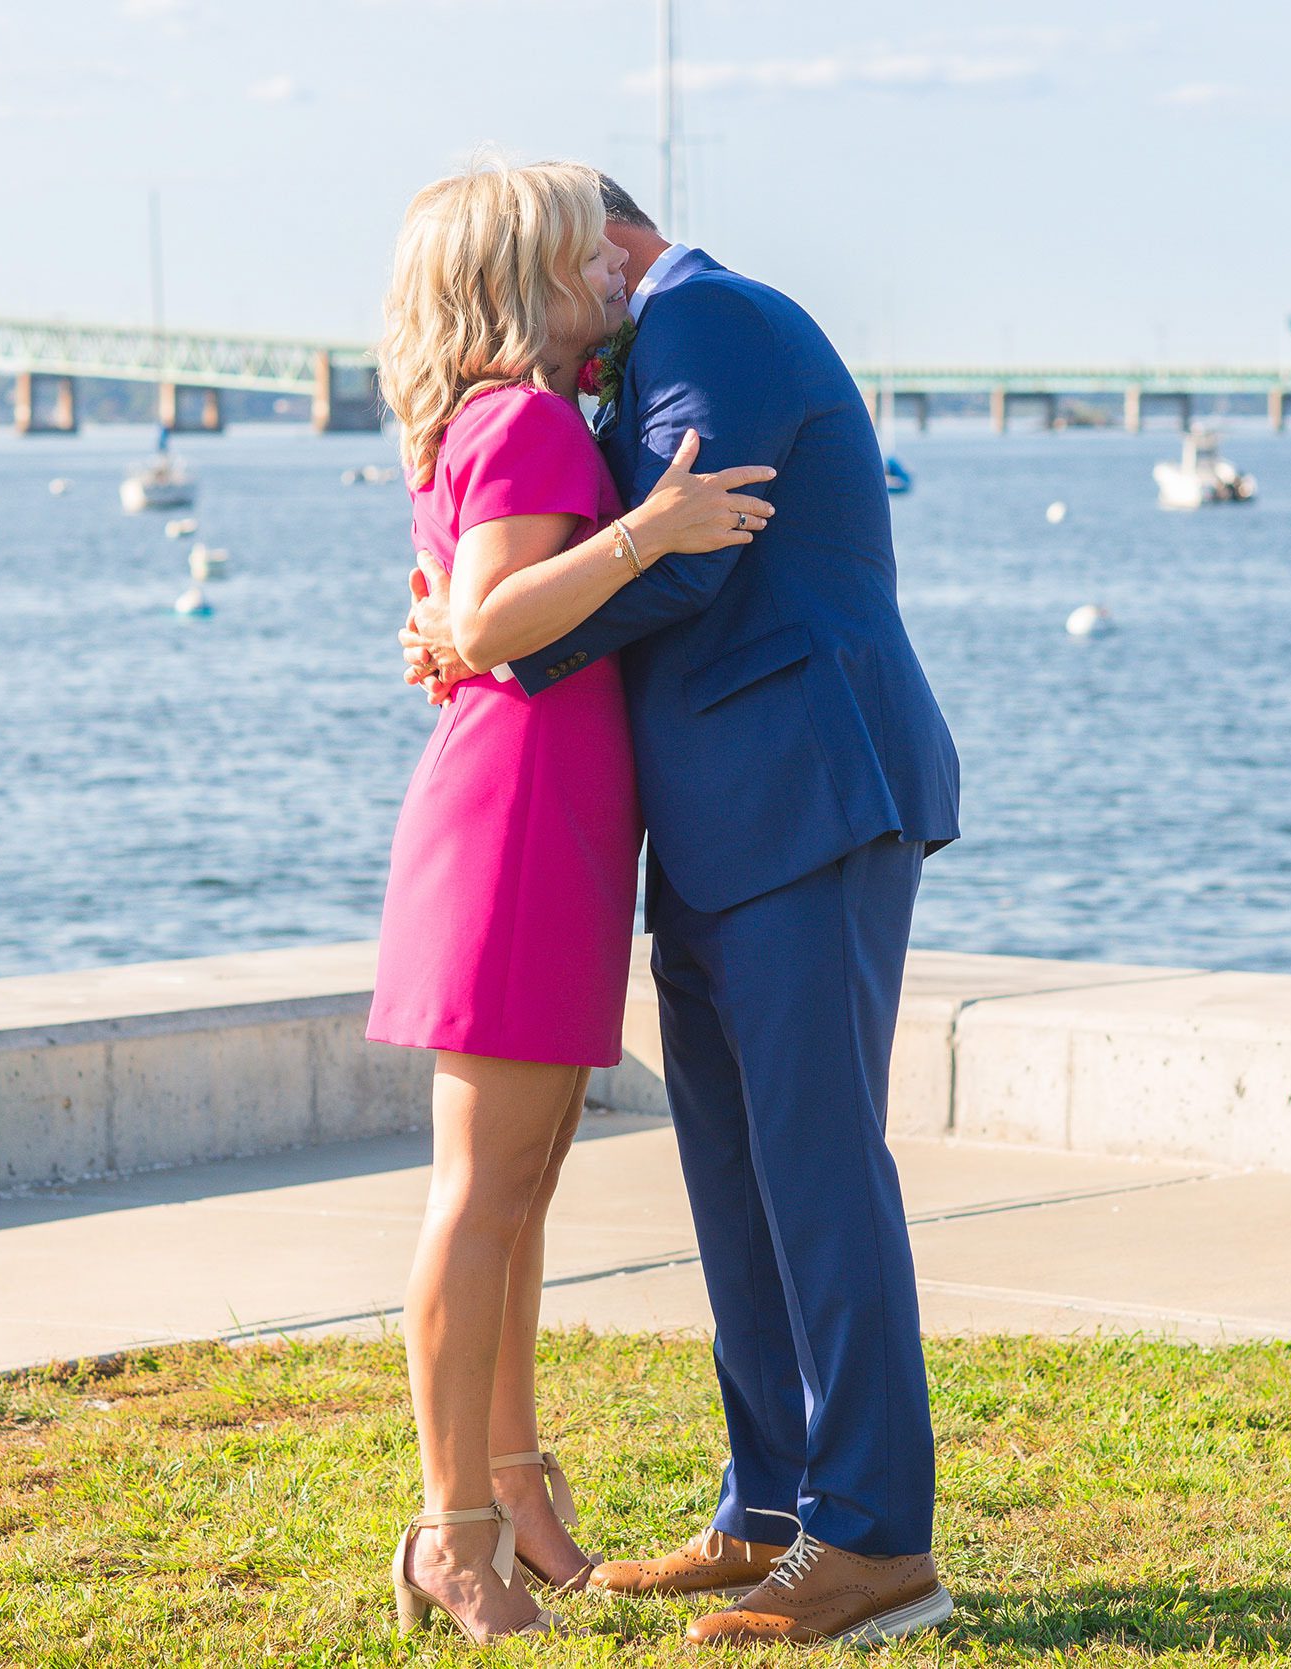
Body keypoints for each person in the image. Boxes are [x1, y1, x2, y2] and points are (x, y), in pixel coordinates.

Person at [401, 170, 963, 1647]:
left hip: (808, 793)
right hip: (714, 824)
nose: (584, 299)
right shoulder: (629, 358)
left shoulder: (708, 314)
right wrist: (486, 607)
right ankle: (771, 1510)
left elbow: (693, 558)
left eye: (588, 263)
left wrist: (490, 637)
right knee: (736, 1171)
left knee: (820, 1167)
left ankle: (874, 1542)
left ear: (616, 241)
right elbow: (591, 537)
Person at [367, 157, 781, 1645]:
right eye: (576, 263)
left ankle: (510, 1482)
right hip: (519, 823)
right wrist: (653, 530)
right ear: (509, 287)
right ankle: (454, 1533)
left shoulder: (491, 416)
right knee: (483, 1197)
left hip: (542, 814)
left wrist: (469, 627)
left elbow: (459, 622)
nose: (614, 274)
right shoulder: (532, 417)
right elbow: (485, 619)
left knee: (519, 1191)